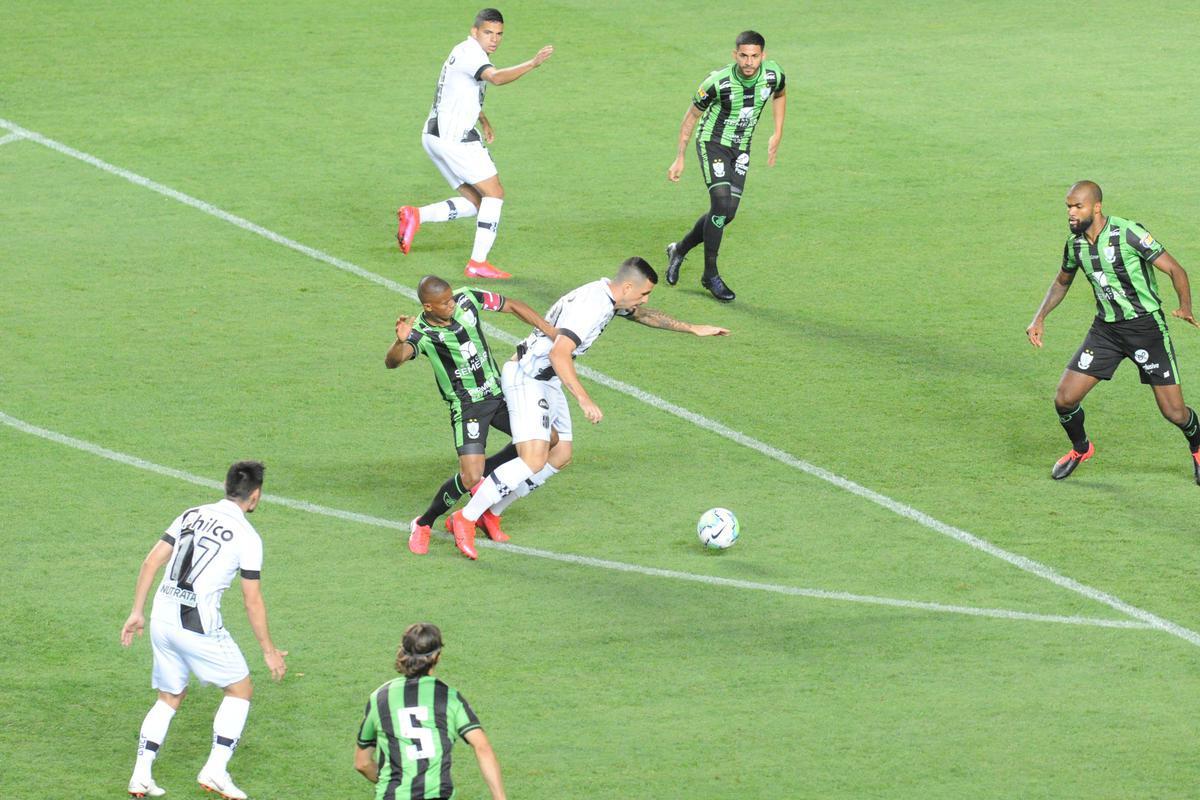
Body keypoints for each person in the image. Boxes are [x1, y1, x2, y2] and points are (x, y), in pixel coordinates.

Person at [449, 257, 729, 554]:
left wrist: (693, 328)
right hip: (527, 376)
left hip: (547, 379)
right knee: (533, 459)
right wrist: (584, 398)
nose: (645, 299)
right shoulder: (592, 307)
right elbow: (560, 354)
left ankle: (491, 513)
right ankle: (464, 518)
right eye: (644, 293)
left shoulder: (608, 297)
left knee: (560, 454)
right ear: (628, 286)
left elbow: (643, 315)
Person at [120, 461, 287, 800]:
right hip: (197, 626)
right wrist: (268, 650)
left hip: (161, 619)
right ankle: (216, 768)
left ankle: (141, 776)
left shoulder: (191, 514)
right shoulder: (247, 536)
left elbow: (151, 560)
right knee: (240, 689)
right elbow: (251, 600)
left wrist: (137, 611)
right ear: (254, 496)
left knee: (169, 696)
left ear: (227, 486)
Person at [1027, 180, 1200, 482]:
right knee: (1064, 399)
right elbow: (1061, 282)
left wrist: (1185, 307)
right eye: (1068, 206)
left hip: (1146, 329)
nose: (1071, 212)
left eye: (1077, 206)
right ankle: (1082, 448)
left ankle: (1197, 448)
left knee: (1174, 413)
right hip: (1105, 332)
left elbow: (1176, 269)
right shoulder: (1075, 244)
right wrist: (1039, 317)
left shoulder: (1128, 233)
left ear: (1096, 207)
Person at [386, 275, 558, 558]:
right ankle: (424, 523)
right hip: (468, 407)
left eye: (451, 298)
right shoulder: (421, 332)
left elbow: (512, 305)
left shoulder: (468, 298)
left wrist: (548, 329)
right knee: (469, 476)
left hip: (500, 394)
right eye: (443, 303)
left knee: (547, 438)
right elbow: (394, 362)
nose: (451, 305)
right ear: (428, 306)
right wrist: (397, 342)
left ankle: (486, 488)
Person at [396, 8, 554, 280]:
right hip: (455, 139)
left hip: (433, 136)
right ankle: (477, 263)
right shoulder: (472, 54)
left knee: (477, 202)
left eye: (499, 34)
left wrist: (482, 118)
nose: (494, 39)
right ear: (475, 31)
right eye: (488, 32)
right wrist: (532, 63)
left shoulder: (465, 51)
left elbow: (456, 92)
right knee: (495, 194)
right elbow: (495, 78)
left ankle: (416, 215)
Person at [664, 30, 786, 302]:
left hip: (741, 149)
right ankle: (710, 275)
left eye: (754, 56)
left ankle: (679, 250)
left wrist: (777, 131)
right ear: (735, 55)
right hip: (712, 143)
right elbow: (691, 117)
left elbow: (780, 94)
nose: (749, 62)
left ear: (763, 56)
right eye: (743, 55)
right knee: (720, 205)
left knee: (726, 214)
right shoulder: (717, 82)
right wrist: (680, 157)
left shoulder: (773, 74)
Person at [355, 623, 505, 800]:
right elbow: (482, 747)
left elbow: (362, 763)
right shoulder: (449, 697)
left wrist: (391, 785)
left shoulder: (379, 698)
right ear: (437, 656)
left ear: (403, 653)